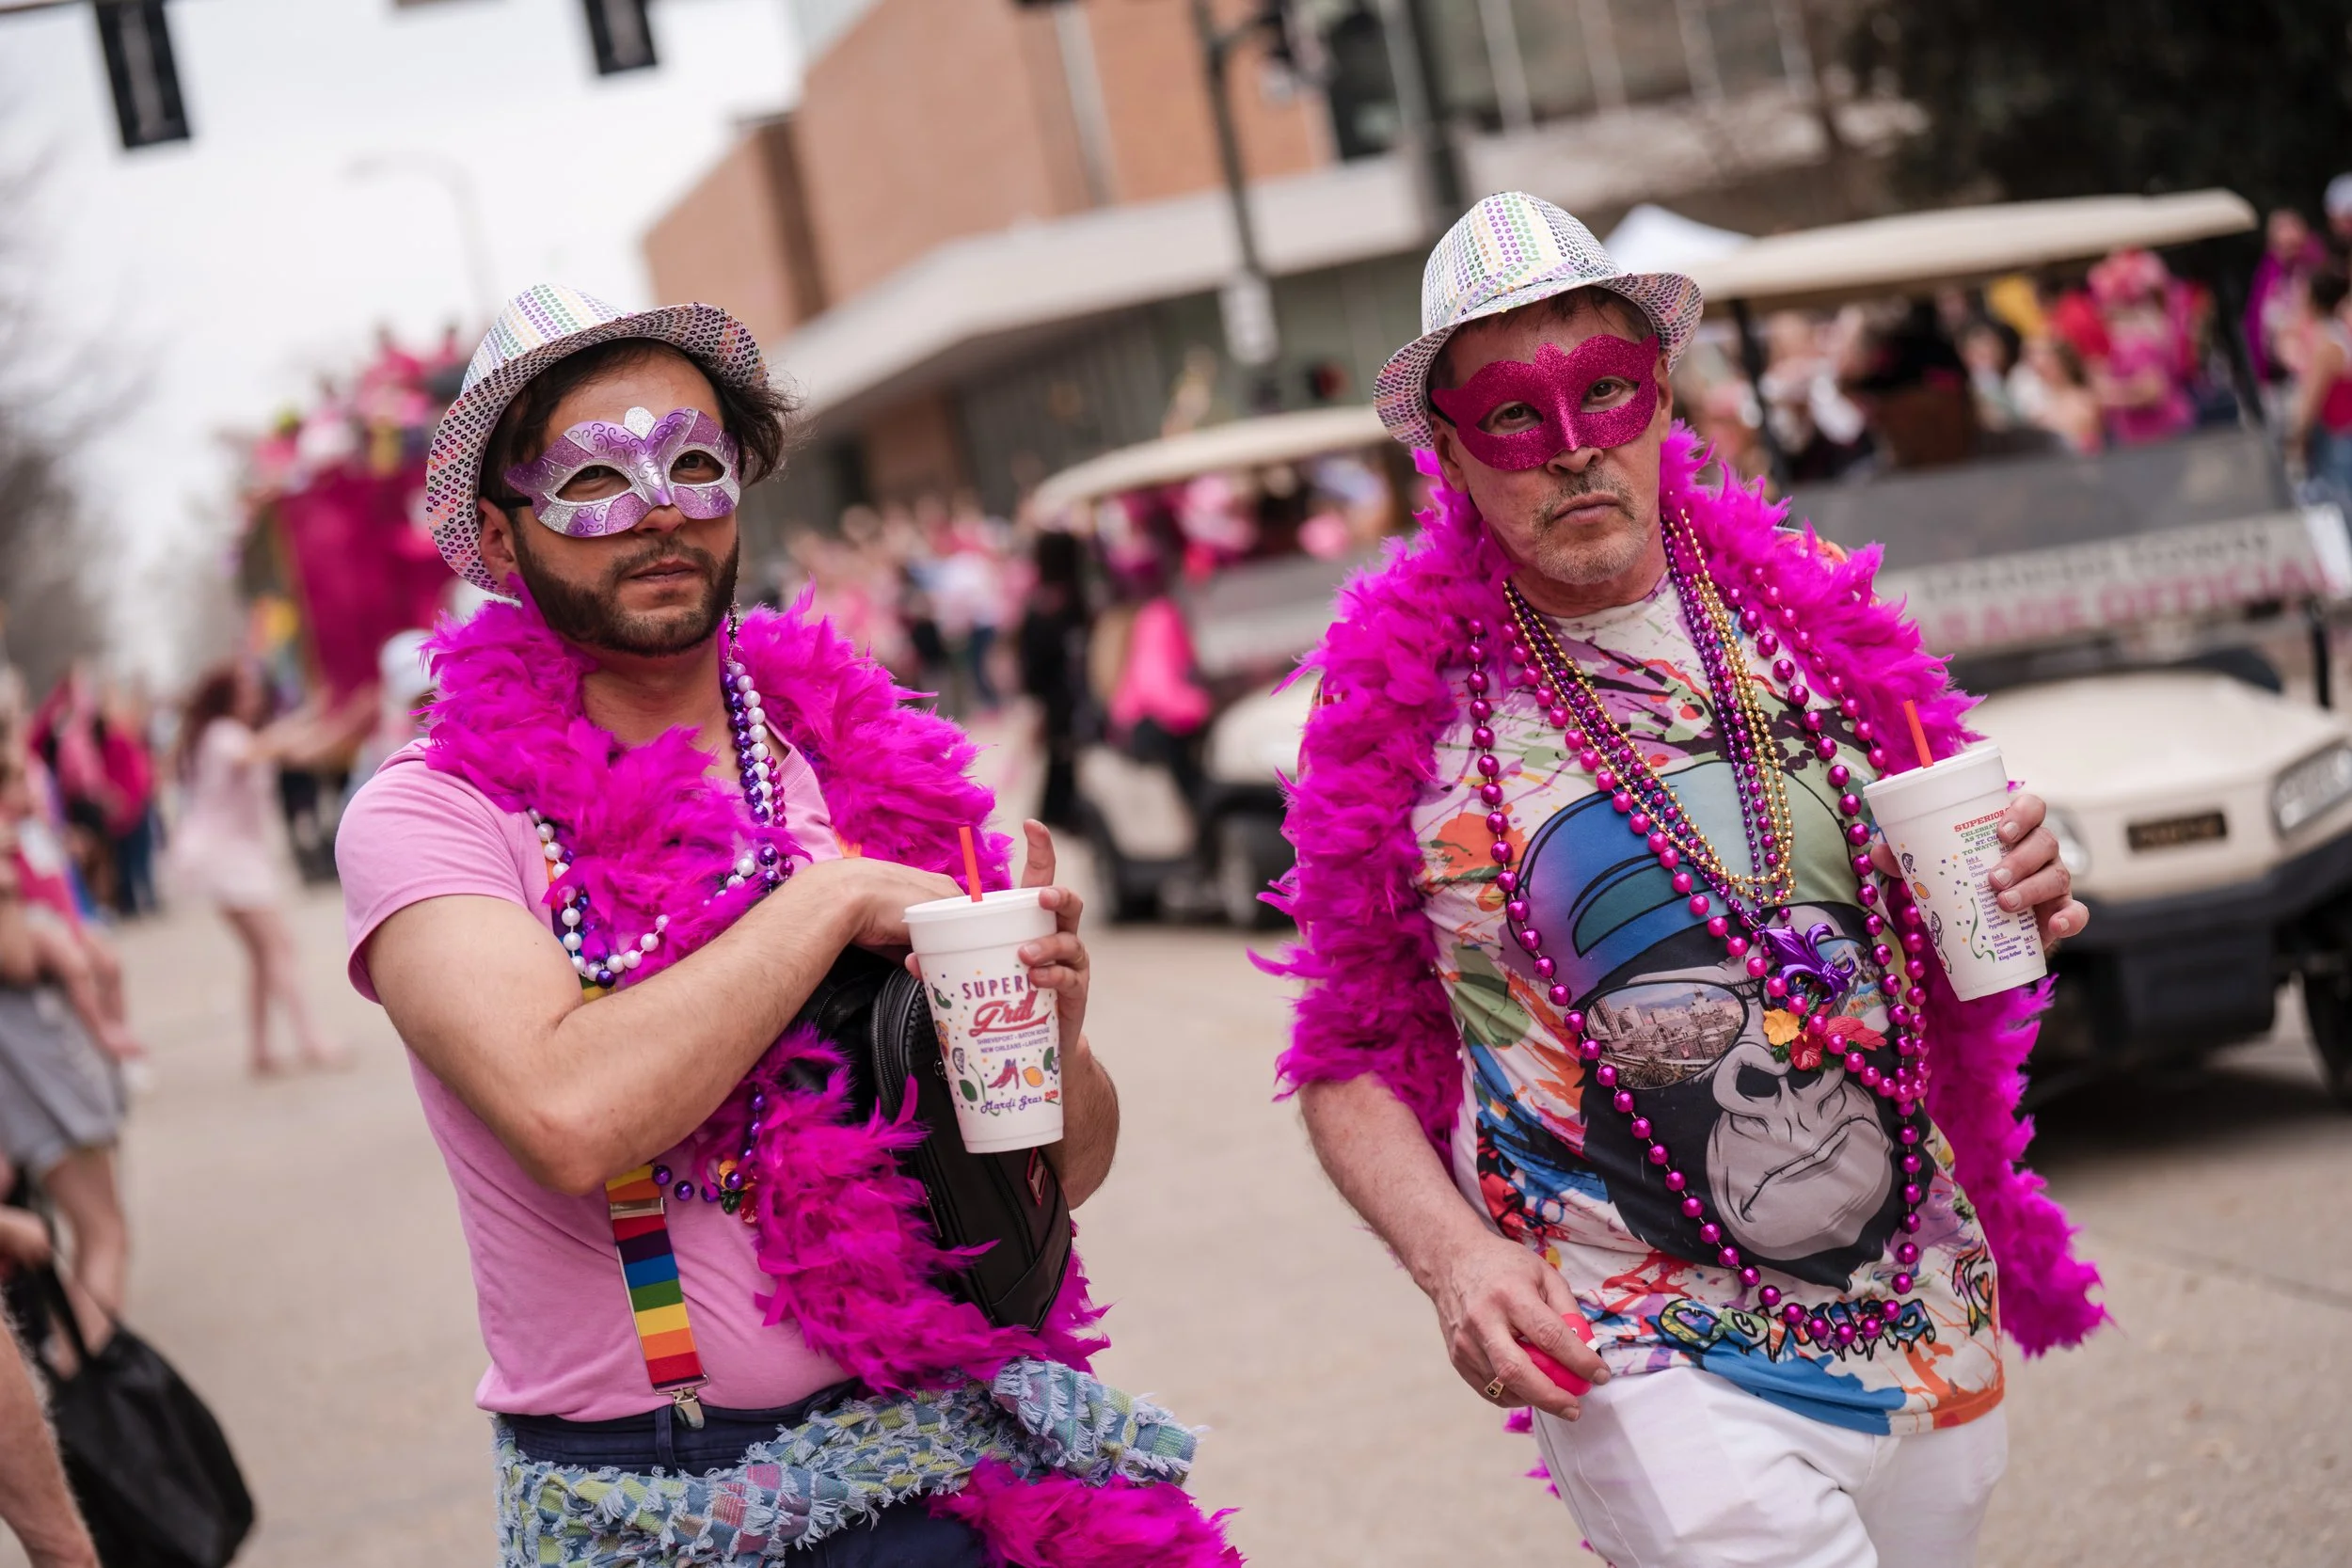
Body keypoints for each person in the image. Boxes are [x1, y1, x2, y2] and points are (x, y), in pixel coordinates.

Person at [336, 285, 1232, 1566]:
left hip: (970, 1459)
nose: (657, 507)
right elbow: (564, 1114)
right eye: (594, 477)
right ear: (501, 526)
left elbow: (1058, 1174)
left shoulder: (869, 762)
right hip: (667, 1497)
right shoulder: (435, 815)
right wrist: (829, 900)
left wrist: (1052, 1039)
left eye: (695, 463)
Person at [1268, 194, 2102, 1567]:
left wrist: (2029, 875)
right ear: (1450, 456)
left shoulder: (1816, 612)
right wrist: (1456, 1257)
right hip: (1643, 1348)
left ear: (1664, 404)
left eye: (1607, 393)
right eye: (1516, 417)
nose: (1577, 448)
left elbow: (1947, 906)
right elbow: (1346, 1049)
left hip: (1919, 1304)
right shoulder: (1393, 713)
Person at [168, 666, 349, 1075]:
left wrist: (341, 718)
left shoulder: (236, 734)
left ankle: (262, 1051)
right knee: (278, 947)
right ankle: (310, 1041)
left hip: (233, 857)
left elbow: (297, 749)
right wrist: (312, 712)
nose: (254, 697)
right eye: (245, 690)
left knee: (262, 955)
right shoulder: (221, 734)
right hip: (224, 858)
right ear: (225, 697)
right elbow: (260, 750)